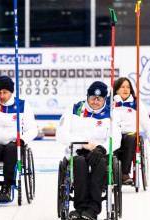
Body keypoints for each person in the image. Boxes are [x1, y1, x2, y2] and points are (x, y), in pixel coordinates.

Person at [56, 81, 121, 220]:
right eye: (92, 97)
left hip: (100, 153)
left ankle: (92, 209)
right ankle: (80, 208)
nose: (95, 101)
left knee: (101, 164)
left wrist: (102, 149)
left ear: (105, 99)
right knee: (79, 163)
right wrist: (82, 143)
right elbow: (60, 134)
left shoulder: (111, 113)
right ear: (87, 96)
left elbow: (116, 138)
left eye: (99, 99)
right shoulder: (74, 108)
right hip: (78, 151)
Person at [113, 77, 150, 184]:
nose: (126, 89)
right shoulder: (109, 103)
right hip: (114, 134)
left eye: (128, 87)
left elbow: (147, 124)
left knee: (131, 138)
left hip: (129, 135)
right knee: (110, 141)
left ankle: (124, 174)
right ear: (116, 90)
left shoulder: (136, 102)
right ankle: (110, 173)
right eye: (122, 87)